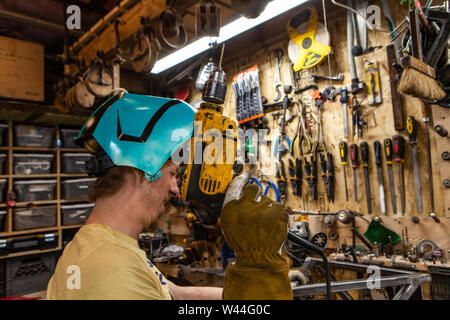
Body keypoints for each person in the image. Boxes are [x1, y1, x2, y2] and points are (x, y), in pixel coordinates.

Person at [46, 92, 223, 300]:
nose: (175, 189)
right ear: (141, 170)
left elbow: (178, 295)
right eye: (172, 174)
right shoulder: (116, 272)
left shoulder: (98, 247)